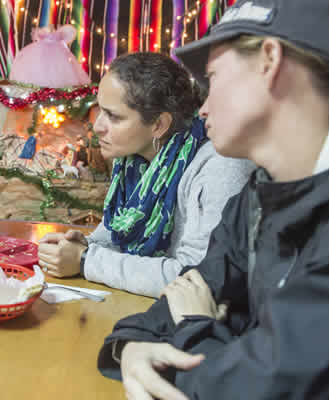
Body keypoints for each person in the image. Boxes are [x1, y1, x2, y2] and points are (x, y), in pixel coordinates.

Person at [98, 0, 329, 398]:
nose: (204, 106)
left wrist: (195, 326)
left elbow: (264, 385)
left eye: (212, 79)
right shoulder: (258, 195)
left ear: (269, 60)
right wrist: (129, 346)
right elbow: (188, 289)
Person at [37, 52, 254, 298]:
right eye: (100, 111)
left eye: (114, 116)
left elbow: (197, 279)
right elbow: (118, 234)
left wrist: (86, 259)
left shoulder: (219, 167)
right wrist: (83, 245)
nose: (97, 126)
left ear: (159, 125)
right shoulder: (134, 163)